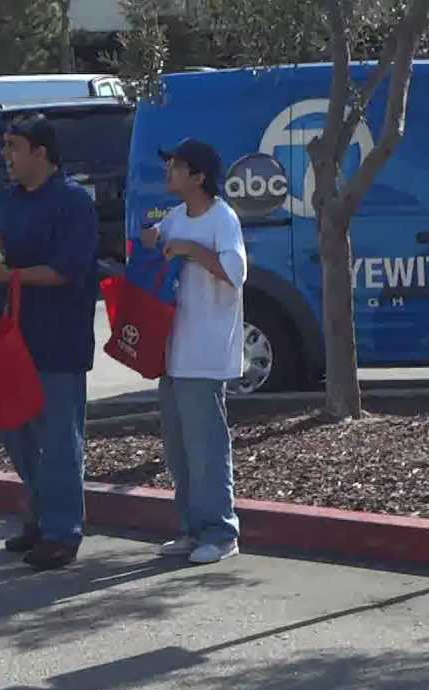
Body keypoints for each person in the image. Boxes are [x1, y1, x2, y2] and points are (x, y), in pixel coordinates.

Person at [0, 114, 99, 571]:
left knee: (59, 439)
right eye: (4, 146)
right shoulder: (7, 201)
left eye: (13, 147)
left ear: (41, 153)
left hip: (57, 341)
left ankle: (63, 533)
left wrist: (9, 275)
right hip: (7, 339)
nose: (5, 155)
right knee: (15, 432)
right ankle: (42, 518)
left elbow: (67, 271)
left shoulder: (73, 202)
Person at [140, 138, 246, 564]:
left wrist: (192, 250)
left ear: (199, 176)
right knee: (180, 449)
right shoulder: (174, 216)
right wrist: (151, 240)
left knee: (206, 447)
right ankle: (191, 528)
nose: (169, 173)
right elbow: (155, 255)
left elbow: (235, 273)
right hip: (171, 348)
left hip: (206, 351)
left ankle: (221, 533)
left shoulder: (223, 218)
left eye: (177, 166)